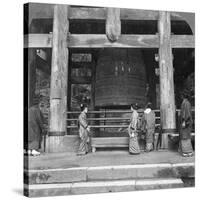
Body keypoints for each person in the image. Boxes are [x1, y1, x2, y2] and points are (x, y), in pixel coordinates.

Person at [178, 93, 193, 157]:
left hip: (185, 122)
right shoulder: (188, 103)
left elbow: (185, 113)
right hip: (188, 122)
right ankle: (188, 151)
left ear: (183, 96)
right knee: (187, 136)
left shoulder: (185, 103)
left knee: (184, 136)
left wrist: (184, 121)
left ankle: (186, 152)